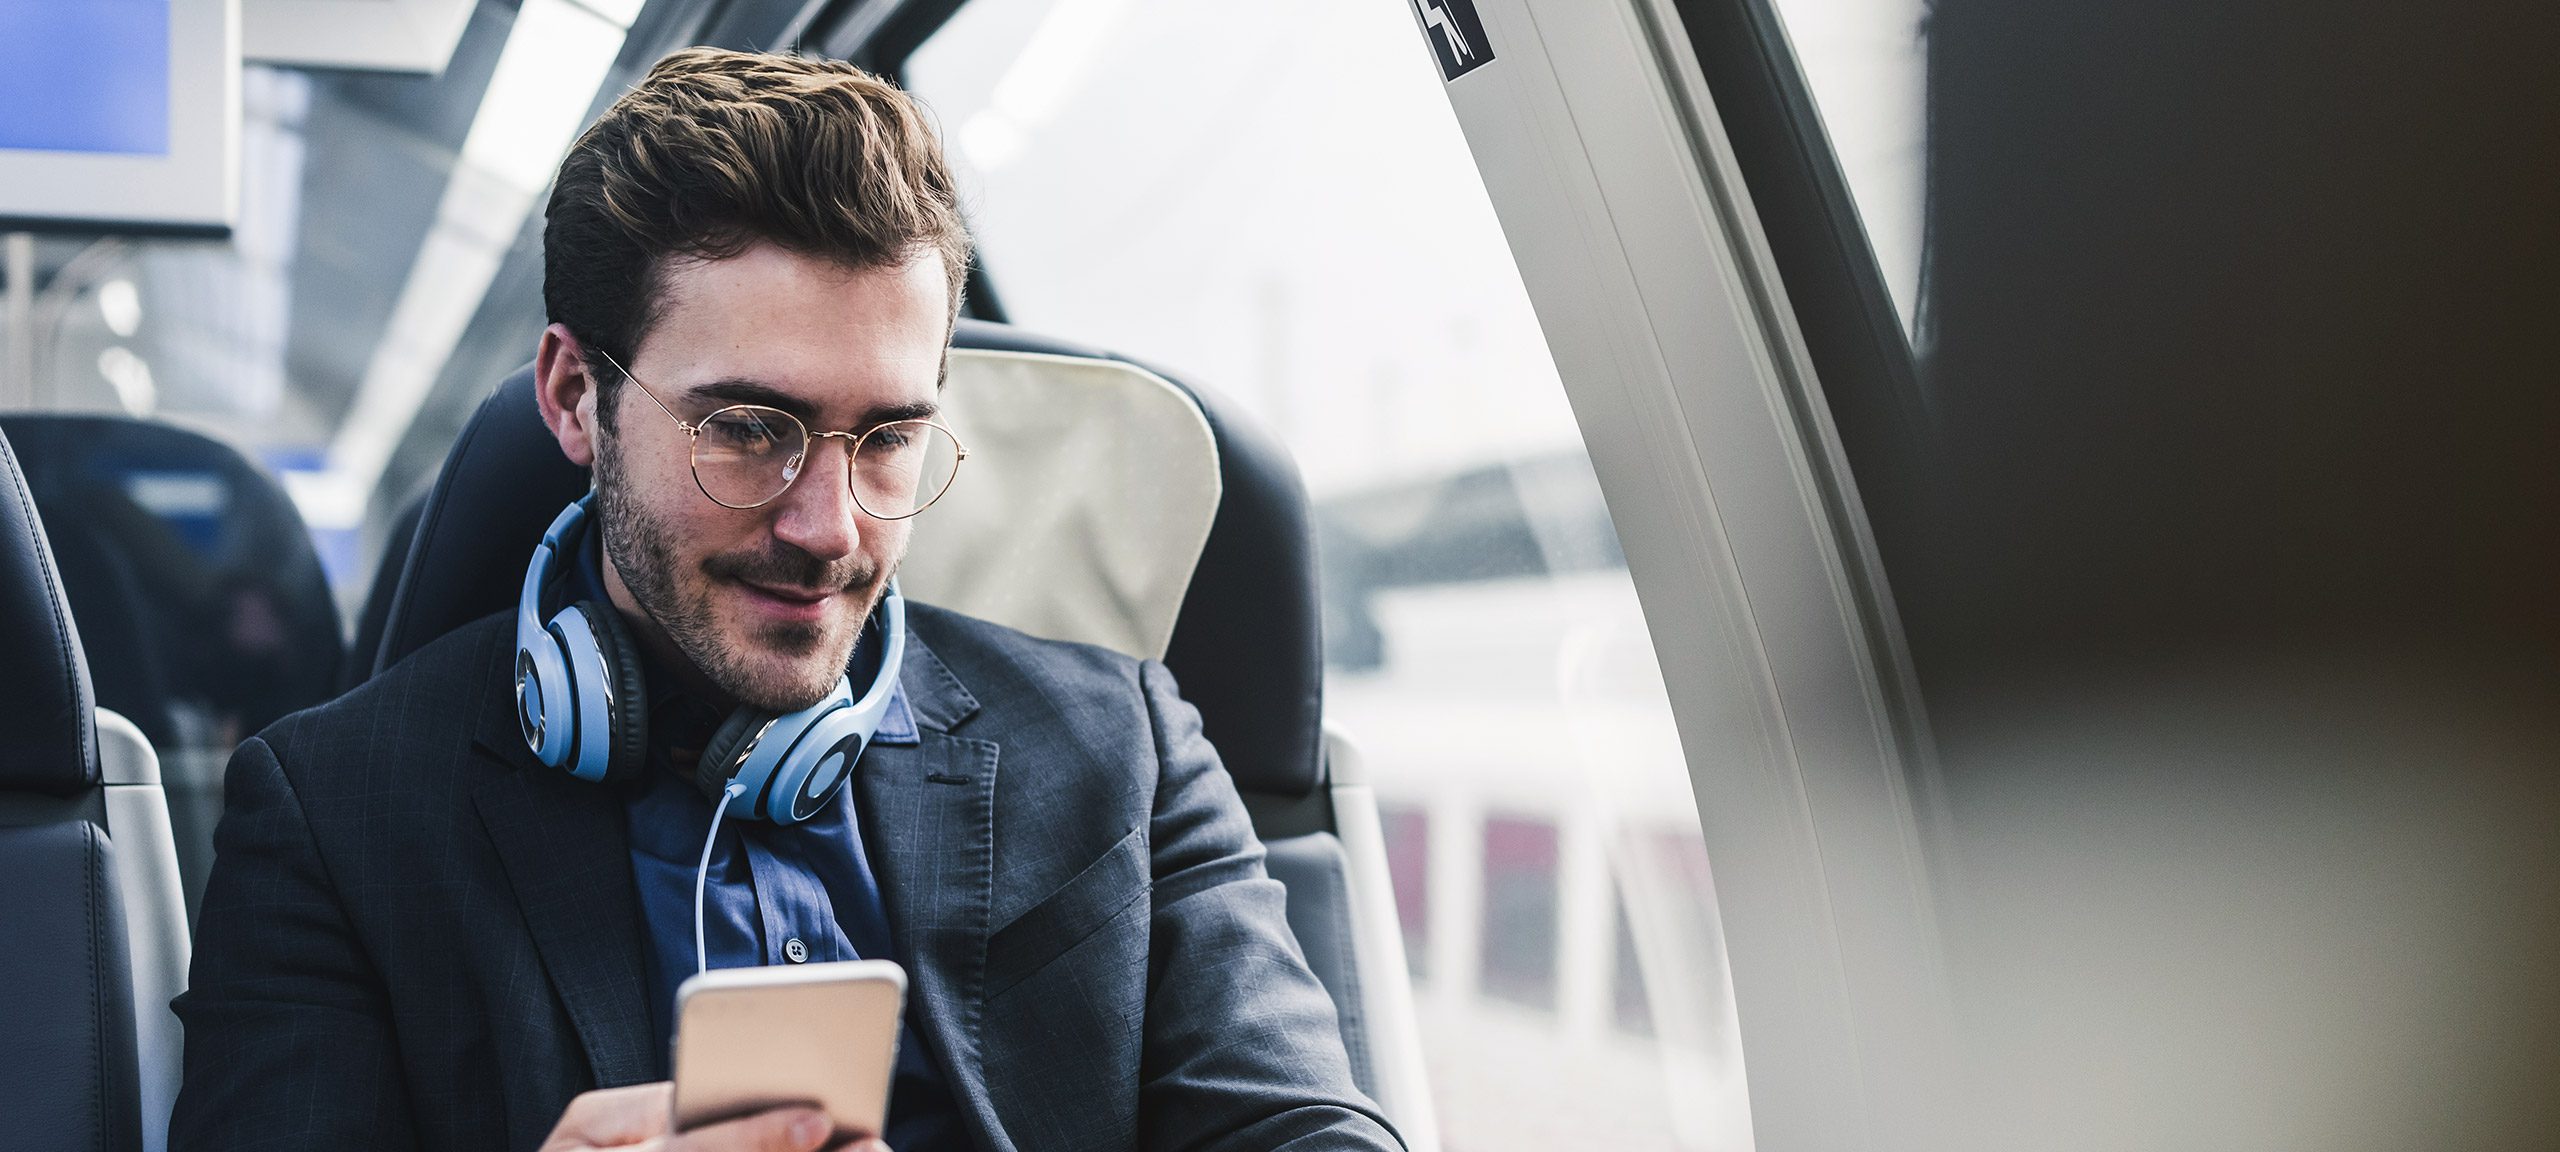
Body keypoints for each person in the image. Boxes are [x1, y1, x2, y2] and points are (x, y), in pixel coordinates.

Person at [171, 48, 1398, 1152]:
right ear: (572, 397)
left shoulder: (1116, 747)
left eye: (886, 440)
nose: (832, 529)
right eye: (749, 430)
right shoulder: (336, 816)